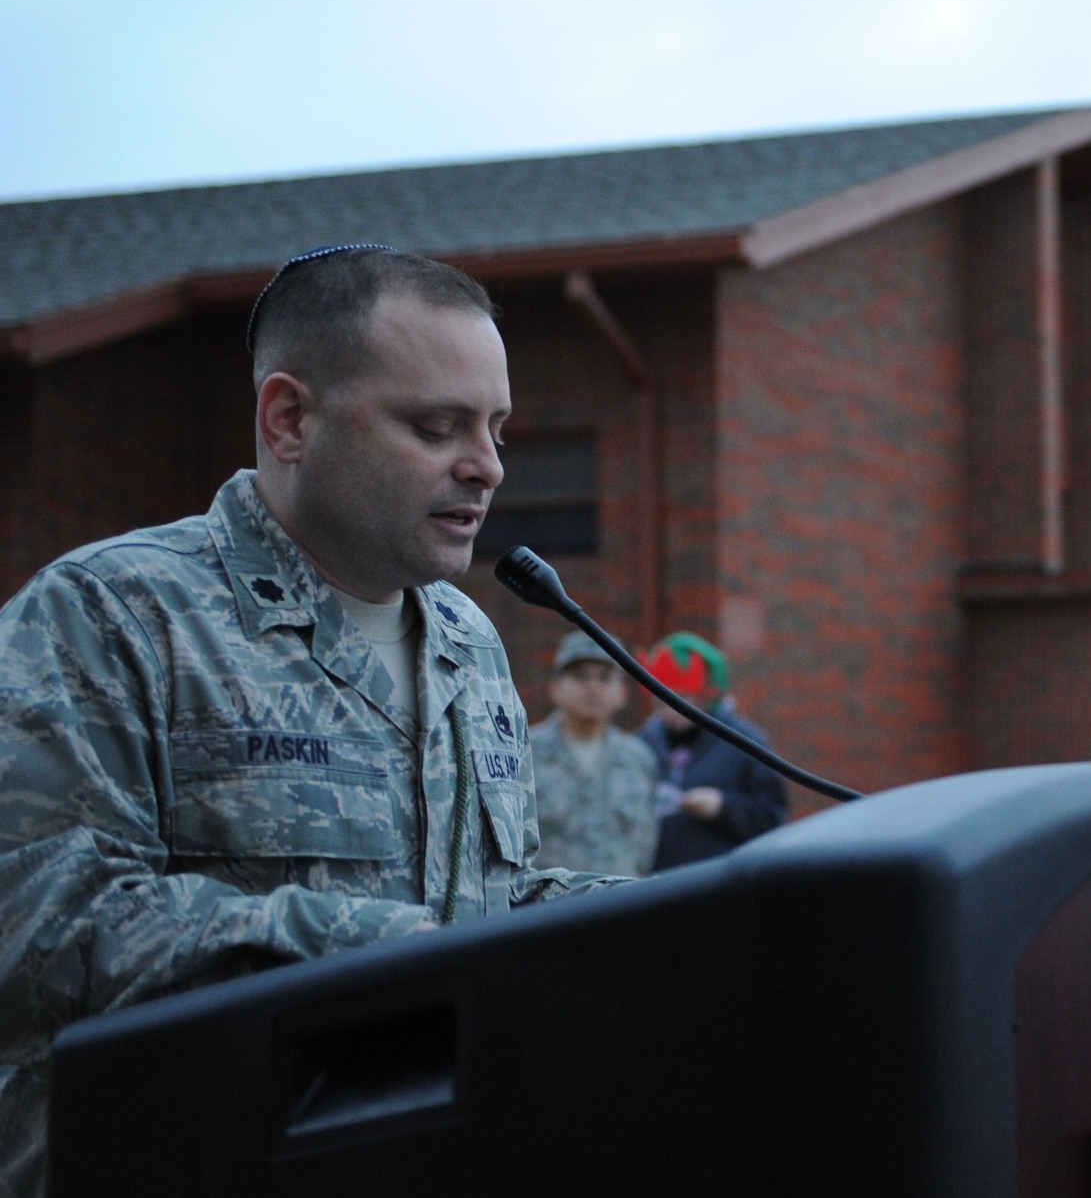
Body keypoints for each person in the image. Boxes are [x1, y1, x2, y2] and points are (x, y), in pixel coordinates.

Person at [0, 245, 623, 1193]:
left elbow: (488, 901)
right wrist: (385, 952)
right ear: (289, 418)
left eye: (496, 428)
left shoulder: (471, 639)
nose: (488, 466)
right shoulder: (110, 616)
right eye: (436, 425)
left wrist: (673, 915)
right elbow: (40, 924)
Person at [638, 632, 789, 870]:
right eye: (660, 700)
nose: (670, 709)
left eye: (682, 697)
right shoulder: (643, 742)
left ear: (707, 696)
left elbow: (772, 816)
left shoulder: (744, 742)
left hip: (721, 883)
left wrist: (723, 807)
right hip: (654, 883)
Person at [528, 631, 658, 876]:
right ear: (555, 688)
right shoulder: (525, 755)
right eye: (580, 677)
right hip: (548, 909)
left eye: (604, 678)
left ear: (622, 694)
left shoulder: (638, 759)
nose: (592, 687)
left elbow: (645, 848)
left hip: (621, 904)